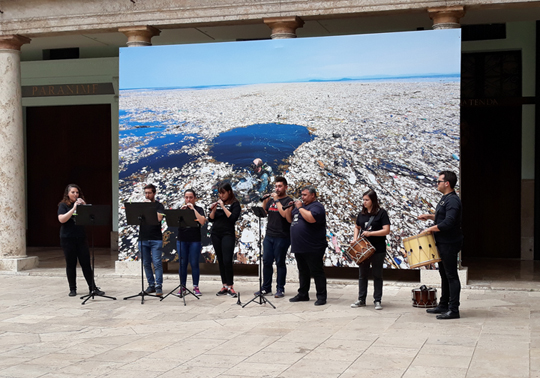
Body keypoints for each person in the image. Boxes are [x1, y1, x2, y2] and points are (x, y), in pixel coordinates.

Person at [418, 170, 463, 320]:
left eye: (439, 181)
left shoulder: (453, 201)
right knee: (444, 274)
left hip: (449, 242)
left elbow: (449, 222)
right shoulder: (445, 199)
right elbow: (443, 216)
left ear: (447, 183)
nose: (437, 184)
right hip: (442, 242)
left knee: (451, 275)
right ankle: (444, 304)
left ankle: (454, 308)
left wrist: (430, 228)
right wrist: (430, 217)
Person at [57, 184, 105, 297]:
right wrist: (74, 209)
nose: (75, 194)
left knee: (86, 263)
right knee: (71, 263)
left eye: (77, 192)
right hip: (68, 238)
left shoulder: (81, 205)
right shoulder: (63, 205)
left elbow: (90, 219)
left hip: (81, 237)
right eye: (73, 192)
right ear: (67, 194)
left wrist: (85, 207)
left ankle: (92, 287)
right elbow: (61, 219)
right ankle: (72, 288)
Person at [350, 189, 391, 310]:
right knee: (363, 274)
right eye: (363, 200)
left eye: (367, 200)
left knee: (377, 274)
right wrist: (355, 239)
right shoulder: (362, 214)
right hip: (363, 248)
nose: (364, 202)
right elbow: (357, 227)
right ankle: (361, 298)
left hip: (378, 248)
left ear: (373, 200)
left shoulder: (381, 213)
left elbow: (386, 230)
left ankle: (377, 299)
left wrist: (371, 233)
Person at [289, 185, 328, 306]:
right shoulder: (299, 208)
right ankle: (303, 293)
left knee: (316, 271)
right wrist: (290, 208)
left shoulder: (317, 207)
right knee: (303, 271)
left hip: (313, 245)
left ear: (313, 195)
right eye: (302, 195)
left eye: (305, 195)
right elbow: (290, 220)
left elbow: (311, 219)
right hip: (299, 245)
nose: (302, 197)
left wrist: (300, 208)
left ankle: (321, 296)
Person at [256, 176, 293, 298]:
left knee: (280, 262)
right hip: (269, 235)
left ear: (285, 187)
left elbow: (283, 215)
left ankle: (280, 288)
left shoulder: (288, 201)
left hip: (282, 236)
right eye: (276, 186)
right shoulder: (272, 201)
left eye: (280, 186)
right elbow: (264, 213)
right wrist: (265, 201)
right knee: (266, 261)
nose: (277, 189)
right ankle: (266, 287)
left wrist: (277, 200)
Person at [209, 182, 241, 298]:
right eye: (219, 194)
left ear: (229, 192)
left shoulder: (235, 204)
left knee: (227, 260)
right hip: (216, 233)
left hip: (228, 234)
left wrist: (223, 206)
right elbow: (211, 219)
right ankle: (224, 285)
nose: (221, 196)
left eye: (223, 193)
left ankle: (231, 286)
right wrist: (213, 209)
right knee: (221, 260)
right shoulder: (218, 203)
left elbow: (232, 218)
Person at [176, 189, 206, 296]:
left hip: (194, 239)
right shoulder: (180, 209)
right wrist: (181, 211)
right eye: (186, 197)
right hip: (182, 239)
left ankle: (195, 287)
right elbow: (174, 222)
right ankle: (182, 287)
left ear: (195, 198)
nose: (188, 199)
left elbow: (202, 221)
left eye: (191, 197)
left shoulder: (199, 209)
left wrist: (193, 209)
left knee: (194, 263)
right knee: (182, 264)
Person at [140, 184, 165, 296]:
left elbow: (159, 218)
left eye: (149, 193)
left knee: (157, 263)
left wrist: (150, 207)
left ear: (154, 193)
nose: (147, 195)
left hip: (155, 238)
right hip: (143, 238)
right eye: (145, 193)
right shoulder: (141, 206)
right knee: (146, 263)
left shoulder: (159, 205)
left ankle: (159, 285)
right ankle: (151, 285)